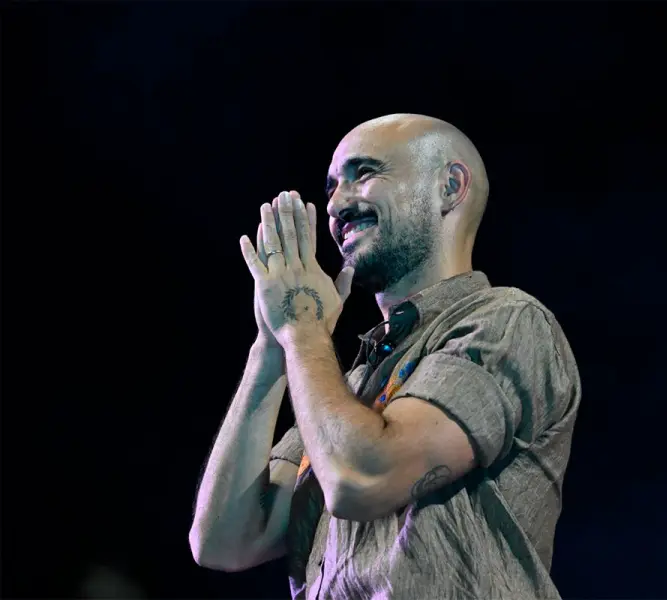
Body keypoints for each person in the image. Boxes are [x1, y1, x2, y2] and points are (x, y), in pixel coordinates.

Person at [189, 114, 581, 599]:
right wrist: (271, 345)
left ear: (449, 187)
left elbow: (362, 477)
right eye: (332, 186)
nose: (336, 204)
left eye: (365, 173)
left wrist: (304, 330)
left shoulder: (505, 321)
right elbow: (224, 541)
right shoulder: (347, 387)